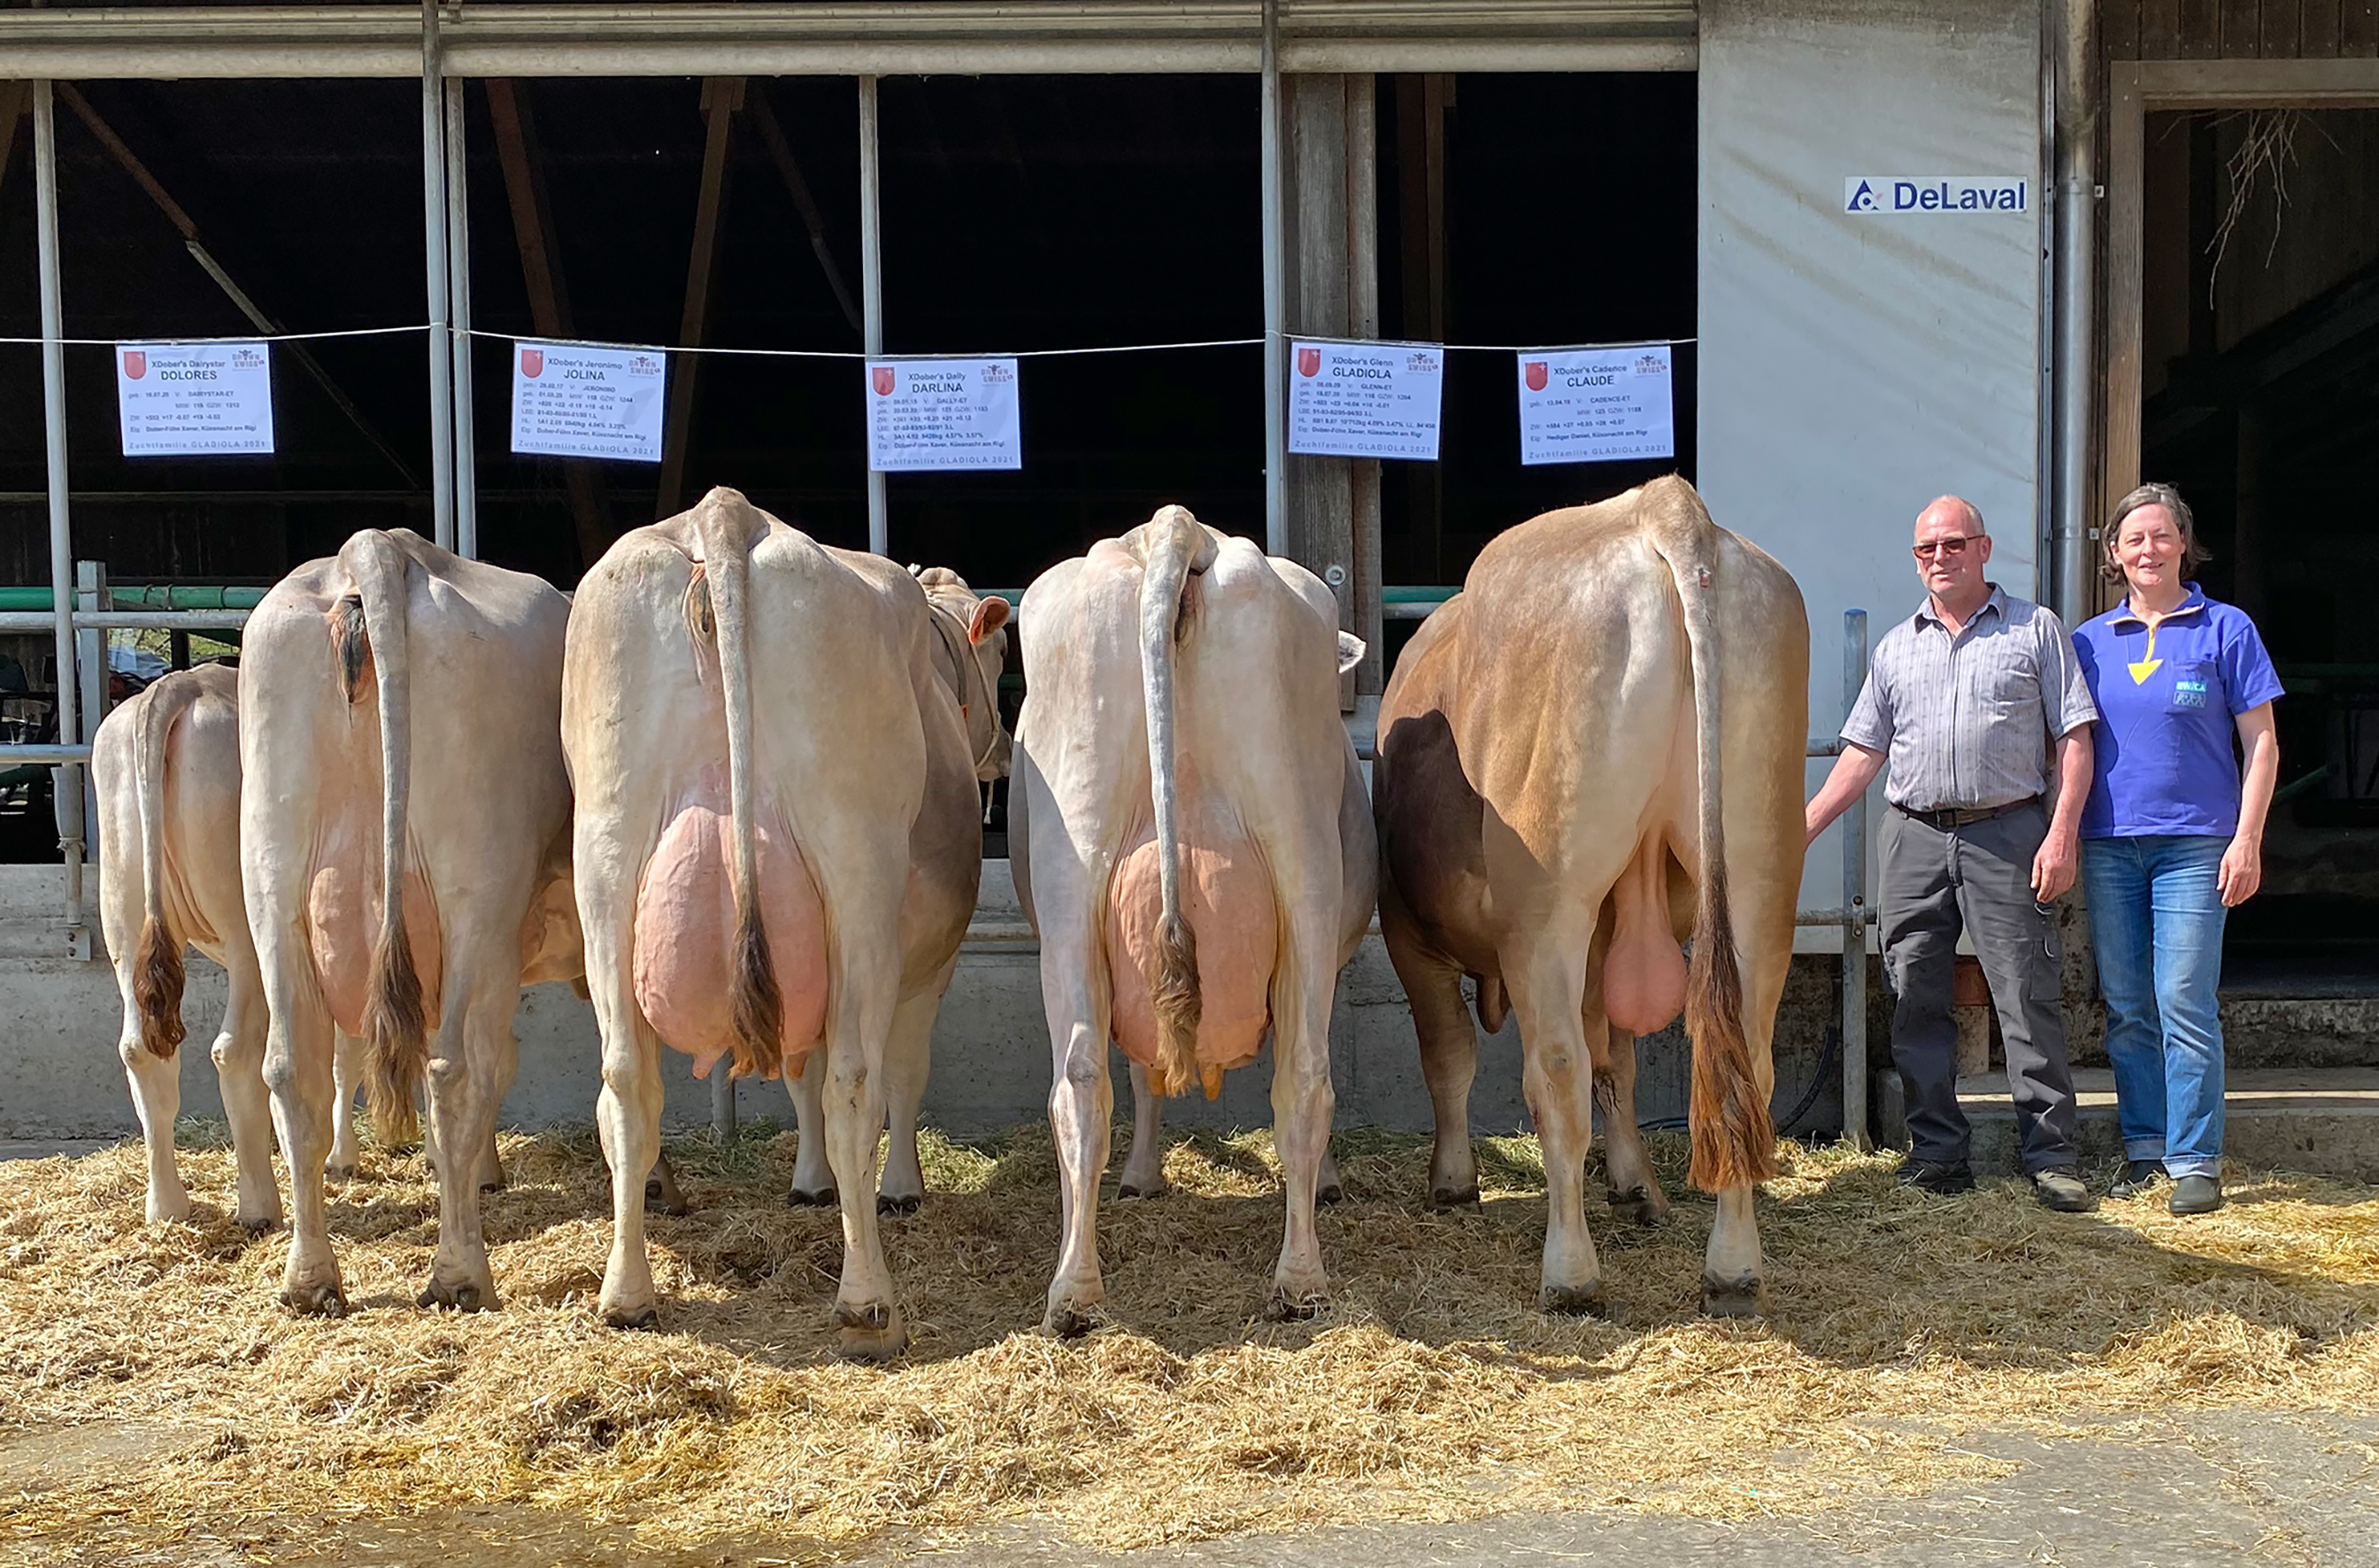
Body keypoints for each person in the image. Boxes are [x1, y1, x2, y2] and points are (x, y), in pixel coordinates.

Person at [1806, 496, 2098, 1211]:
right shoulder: (1896, 647)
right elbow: (1864, 751)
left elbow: (2076, 741)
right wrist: (1801, 828)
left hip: (2008, 830)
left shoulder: (2036, 630)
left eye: (1953, 544)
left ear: (1984, 548)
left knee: (2025, 996)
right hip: (1913, 834)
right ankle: (1937, 1152)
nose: (1940, 557)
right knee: (1914, 996)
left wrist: (2061, 834)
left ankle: (2051, 1157)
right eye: (1926, 549)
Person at [2072, 483, 2281, 1217]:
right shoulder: (2089, 642)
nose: (2148, 550)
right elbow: (2070, 749)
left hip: (2197, 844)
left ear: (2184, 544)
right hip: (2109, 844)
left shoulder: (2226, 629)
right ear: (2113, 554)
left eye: (2162, 536)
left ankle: (2196, 1160)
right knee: (2128, 1005)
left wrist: (2247, 838)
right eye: (2134, 539)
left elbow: (2262, 745)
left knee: (2183, 998)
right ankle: (2145, 1149)